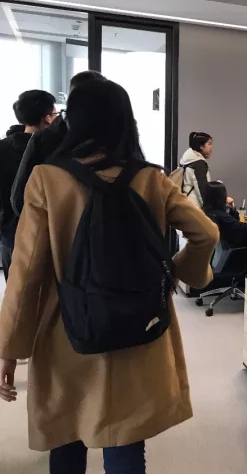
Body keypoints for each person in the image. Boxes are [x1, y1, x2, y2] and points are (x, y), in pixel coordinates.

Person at [0, 79, 219, 473]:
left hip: (68, 330)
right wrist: (184, 272)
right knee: (125, 442)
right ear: (125, 122)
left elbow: (26, 272)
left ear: (72, 122)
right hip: (139, 325)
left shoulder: (47, 179)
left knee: (66, 435)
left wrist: (10, 348)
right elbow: (207, 233)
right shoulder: (151, 178)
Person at [11, 70, 106, 217]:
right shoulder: (117, 135)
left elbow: (20, 200)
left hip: (59, 226)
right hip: (108, 225)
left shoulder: (45, 137)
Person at [0, 91, 57, 280]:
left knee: (15, 292)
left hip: (10, 235)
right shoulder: (55, 151)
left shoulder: (3, 148)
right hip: (46, 235)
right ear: (48, 118)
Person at [203, 180, 247, 248]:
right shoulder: (221, 215)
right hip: (230, 249)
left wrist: (232, 207)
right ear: (221, 196)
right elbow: (242, 227)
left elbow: (233, 221)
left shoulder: (205, 212)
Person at [179, 132, 213, 208]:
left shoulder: (187, 161)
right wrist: (208, 207)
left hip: (186, 201)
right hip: (195, 205)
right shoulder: (198, 163)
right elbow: (202, 189)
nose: (211, 147)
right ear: (201, 146)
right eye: (209, 144)